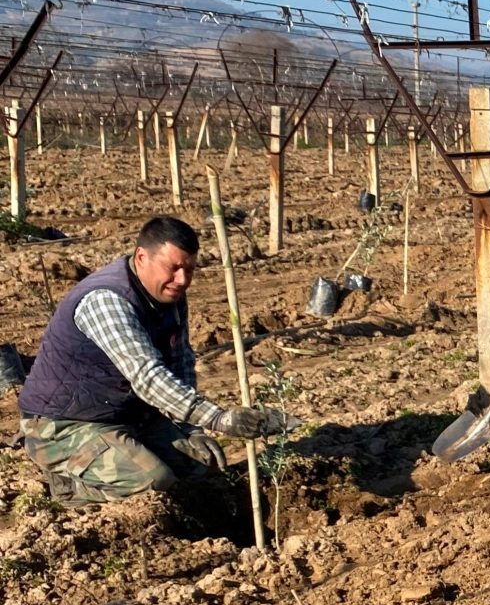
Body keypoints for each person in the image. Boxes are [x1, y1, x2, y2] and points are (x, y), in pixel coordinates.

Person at [16, 216, 289, 506]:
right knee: (153, 483)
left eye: (189, 269)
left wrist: (190, 428)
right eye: (173, 268)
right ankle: (70, 487)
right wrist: (218, 419)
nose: (182, 279)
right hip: (66, 424)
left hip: (127, 415)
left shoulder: (169, 295)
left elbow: (180, 360)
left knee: (201, 466)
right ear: (142, 257)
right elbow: (148, 376)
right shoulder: (107, 300)